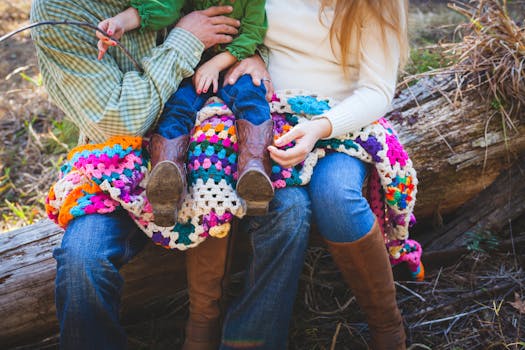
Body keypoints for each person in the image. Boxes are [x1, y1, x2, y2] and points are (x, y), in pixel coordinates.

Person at [30, 0, 310, 349]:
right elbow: (121, 121)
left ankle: (248, 341)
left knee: (291, 211)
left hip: (216, 142)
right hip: (119, 166)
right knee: (81, 260)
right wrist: (185, 38)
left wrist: (254, 56)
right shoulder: (62, 11)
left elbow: (253, 22)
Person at [223, 0, 410, 348]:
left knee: (336, 196)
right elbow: (243, 24)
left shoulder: (376, 5)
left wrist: (321, 127)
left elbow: (377, 90)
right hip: (271, 116)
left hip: (341, 124)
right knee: (286, 206)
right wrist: (249, 55)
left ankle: (388, 328)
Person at [96, 0, 273, 227]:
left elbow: (252, 34)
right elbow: (163, 7)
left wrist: (216, 65)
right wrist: (120, 22)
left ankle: (255, 169)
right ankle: (166, 179)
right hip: (192, 66)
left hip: (233, 63)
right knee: (177, 106)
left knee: (251, 98)